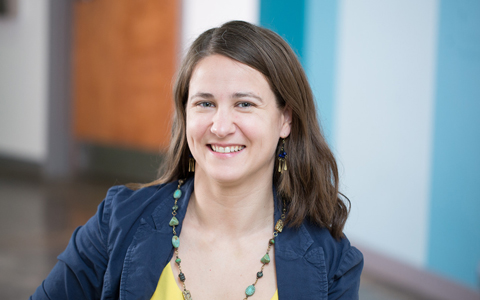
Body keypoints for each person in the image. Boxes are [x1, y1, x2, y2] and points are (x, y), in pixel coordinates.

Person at [31, 20, 363, 300]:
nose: (220, 127)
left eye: (244, 104)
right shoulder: (117, 221)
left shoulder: (333, 262)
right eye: (204, 103)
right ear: (185, 114)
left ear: (285, 119)